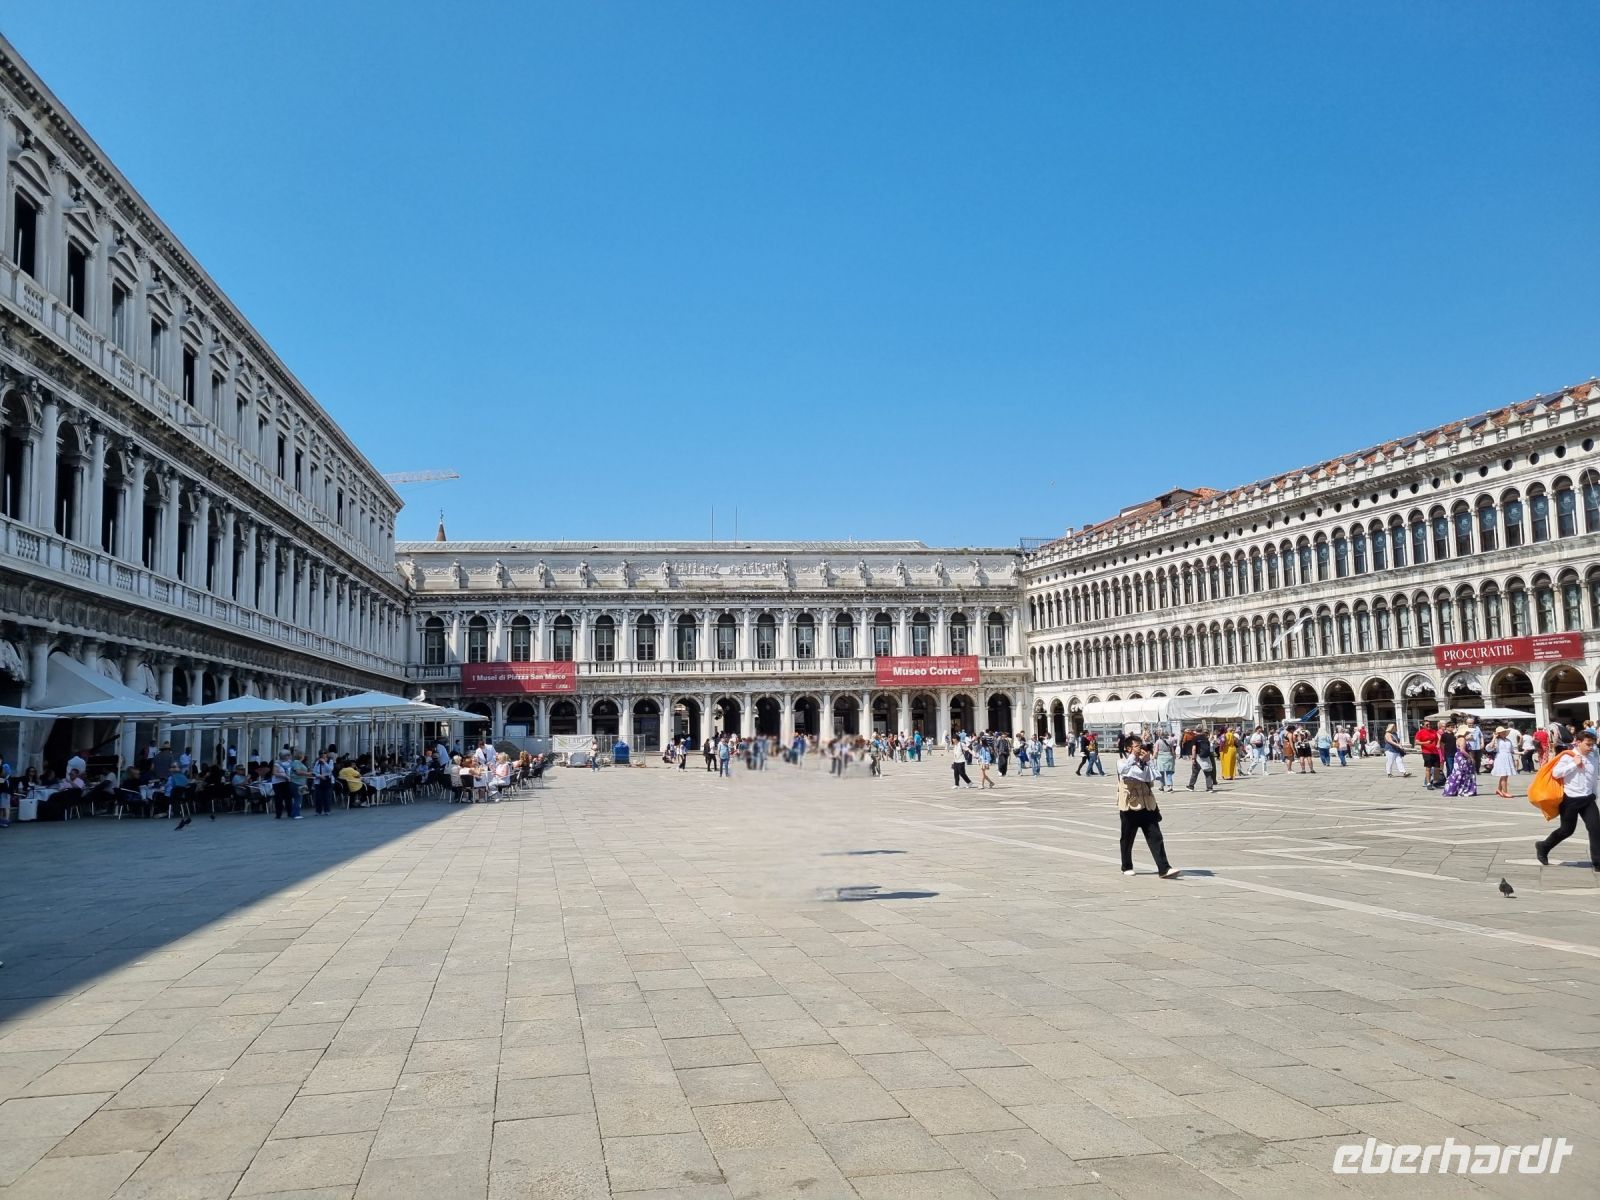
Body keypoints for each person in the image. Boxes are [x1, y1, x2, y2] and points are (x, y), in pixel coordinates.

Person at [1535, 729, 1600, 874]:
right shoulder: (1567, 756)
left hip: (1588, 798)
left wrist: (1595, 794)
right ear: (1578, 743)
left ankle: (1598, 862)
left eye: (1592, 745)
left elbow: (1594, 777)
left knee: (1596, 829)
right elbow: (1556, 773)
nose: (1591, 747)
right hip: (1570, 799)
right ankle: (1543, 846)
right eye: (1588, 744)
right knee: (1567, 830)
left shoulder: (1593, 757)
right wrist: (1574, 764)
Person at [1117, 736, 1178, 879]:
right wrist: (1135, 758)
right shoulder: (1122, 761)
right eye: (1137, 746)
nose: (1140, 749)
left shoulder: (1144, 763)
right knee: (1127, 838)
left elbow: (1155, 776)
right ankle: (1126, 866)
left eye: (1141, 746)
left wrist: (1149, 762)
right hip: (1130, 806)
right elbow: (1126, 771)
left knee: (1156, 836)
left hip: (1147, 804)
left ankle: (1164, 868)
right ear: (1128, 748)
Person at [1441, 722, 1476, 797]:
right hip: (1462, 758)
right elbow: (1462, 750)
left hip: (1458, 757)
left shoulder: (1458, 738)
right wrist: (1470, 757)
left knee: (1458, 773)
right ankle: (1459, 789)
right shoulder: (1462, 739)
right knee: (1462, 773)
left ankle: (1454, 789)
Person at [1490, 727, 1516, 799]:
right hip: (1501, 758)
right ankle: (1505, 792)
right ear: (1499, 734)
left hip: (1508, 757)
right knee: (1504, 775)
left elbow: (1511, 751)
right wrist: (1494, 738)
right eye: (1502, 732)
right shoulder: (1496, 740)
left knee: (1505, 775)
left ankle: (1499, 789)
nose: (1504, 733)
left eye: (1504, 732)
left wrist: (1521, 752)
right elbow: (1489, 748)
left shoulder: (1508, 740)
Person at [1416, 719, 1441, 789]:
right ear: (1423, 726)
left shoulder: (1434, 731)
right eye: (1427, 725)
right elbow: (1417, 742)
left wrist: (1438, 744)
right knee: (1428, 767)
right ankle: (1428, 782)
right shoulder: (1420, 732)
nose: (1429, 725)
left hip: (1435, 752)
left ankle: (1435, 781)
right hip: (1426, 752)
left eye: (1429, 724)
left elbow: (1438, 738)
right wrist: (1425, 743)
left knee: (1437, 768)